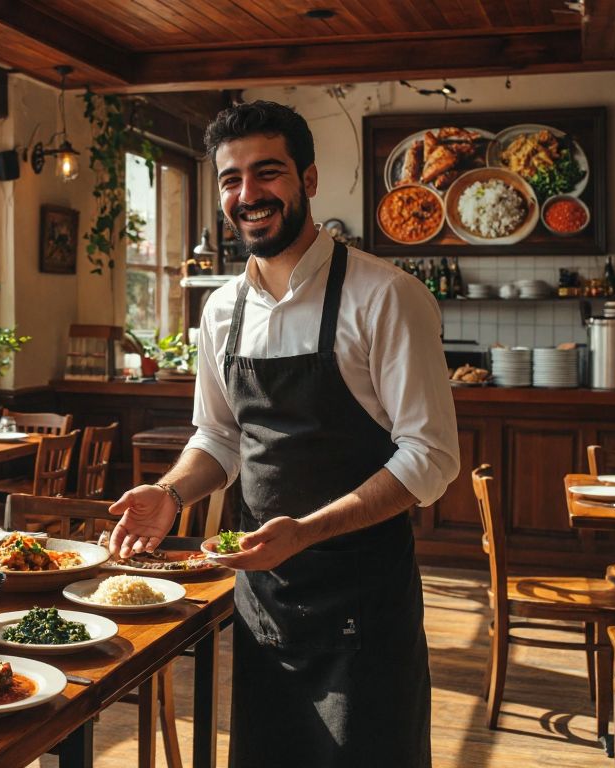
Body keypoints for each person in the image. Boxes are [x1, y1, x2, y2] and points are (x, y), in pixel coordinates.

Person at [107, 101, 459, 767]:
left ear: (309, 178)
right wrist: (170, 493)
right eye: (231, 179)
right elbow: (218, 435)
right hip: (264, 597)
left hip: (362, 597)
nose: (248, 195)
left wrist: (307, 532)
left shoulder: (386, 296)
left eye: (267, 173)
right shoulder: (220, 311)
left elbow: (431, 457)